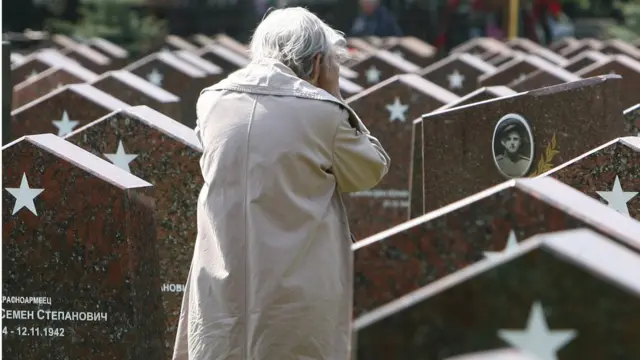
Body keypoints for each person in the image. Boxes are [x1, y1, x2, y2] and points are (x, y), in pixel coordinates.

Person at [172, 7, 390, 360]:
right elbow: (371, 168)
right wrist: (335, 95)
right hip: (295, 298)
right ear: (318, 62)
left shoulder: (211, 101)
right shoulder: (324, 113)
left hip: (219, 291)